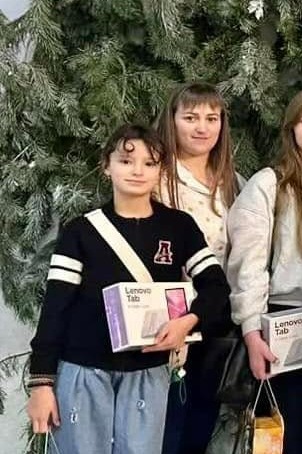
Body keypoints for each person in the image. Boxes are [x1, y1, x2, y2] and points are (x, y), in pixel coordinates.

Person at [26, 124, 231, 453]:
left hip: (149, 372)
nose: (137, 171)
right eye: (126, 161)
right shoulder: (81, 231)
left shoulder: (179, 227)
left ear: (161, 170)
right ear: (106, 165)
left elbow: (216, 287)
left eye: (149, 163)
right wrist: (41, 383)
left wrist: (188, 322)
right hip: (84, 371)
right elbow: (55, 309)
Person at [225, 88, 302, 452]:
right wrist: (252, 332)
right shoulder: (269, 183)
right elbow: (247, 265)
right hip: (282, 324)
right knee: (285, 437)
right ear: (291, 128)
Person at [154, 82, 244, 454]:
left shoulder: (233, 181)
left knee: (200, 424)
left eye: (212, 118)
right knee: (167, 428)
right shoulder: (156, 177)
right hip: (171, 319)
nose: (202, 127)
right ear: (172, 120)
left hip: (218, 318)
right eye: (191, 118)